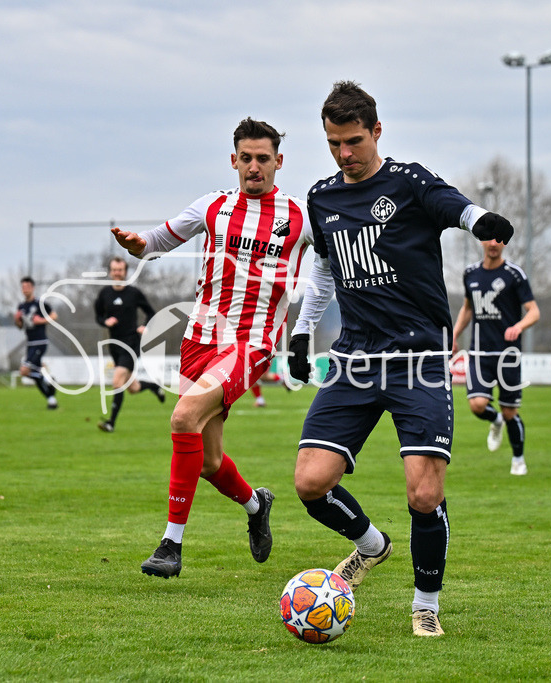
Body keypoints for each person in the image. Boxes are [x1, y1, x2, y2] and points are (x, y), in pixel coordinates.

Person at [288, 81, 514, 638]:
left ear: (377, 131)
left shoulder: (409, 182)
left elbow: (454, 206)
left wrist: (482, 220)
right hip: (355, 359)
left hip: (420, 359)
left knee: (424, 491)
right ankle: (371, 545)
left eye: (355, 141)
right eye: (335, 143)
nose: (346, 154)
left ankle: (425, 605)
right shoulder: (322, 197)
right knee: (311, 482)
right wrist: (301, 333)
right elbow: (321, 270)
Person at [111, 117, 313, 579]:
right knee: (209, 461)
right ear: (233, 160)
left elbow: (335, 260)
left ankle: (170, 545)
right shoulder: (214, 206)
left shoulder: (301, 217)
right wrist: (137, 244)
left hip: (252, 342)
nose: (255, 167)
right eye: (247, 158)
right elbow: (157, 243)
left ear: (279, 162)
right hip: (199, 340)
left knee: (182, 416)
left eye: (264, 158)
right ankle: (255, 504)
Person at [451, 239, 540, 475]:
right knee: (477, 405)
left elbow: (534, 311)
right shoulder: (470, 273)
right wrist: (454, 334)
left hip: (507, 354)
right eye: (489, 238)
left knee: (510, 411)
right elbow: (468, 308)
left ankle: (518, 460)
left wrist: (519, 327)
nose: (493, 243)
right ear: (481, 241)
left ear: (505, 244)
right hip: (479, 352)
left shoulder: (514, 274)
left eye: (499, 240)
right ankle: (495, 420)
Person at [94, 256, 166, 432]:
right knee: (133, 388)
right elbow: (98, 316)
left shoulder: (133, 293)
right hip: (114, 345)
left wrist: (144, 326)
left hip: (131, 344)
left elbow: (151, 312)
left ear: (125, 272)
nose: (117, 273)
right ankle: (154, 386)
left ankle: (110, 423)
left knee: (117, 380)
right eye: (114, 270)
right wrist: (105, 322)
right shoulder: (105, 294)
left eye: (120, 270)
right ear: (110, 272)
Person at [14, 276, 59, 410]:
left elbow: (54, 315)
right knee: (33, 372)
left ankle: (48, 385)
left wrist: (42, 320)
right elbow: (20, 326)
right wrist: (17, 320)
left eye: (28, 287)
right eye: (23, 287)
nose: (25, 289)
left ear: (32, 288)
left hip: (40, 342)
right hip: (30, 343)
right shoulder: (21, 307)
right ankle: (51, 398)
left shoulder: (40, 304)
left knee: (24, 370)